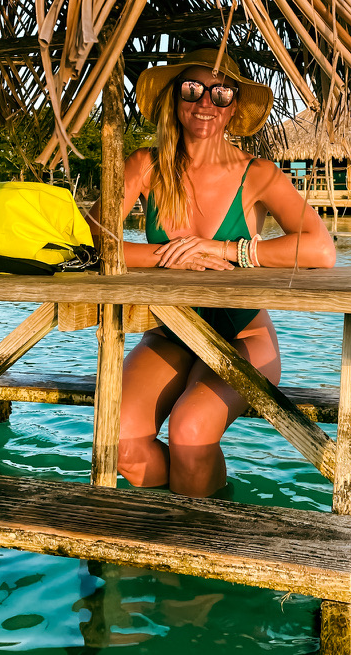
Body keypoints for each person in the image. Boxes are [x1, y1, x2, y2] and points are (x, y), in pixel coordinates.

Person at [94, 47, 335, 498]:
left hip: (243, 337)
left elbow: (320, 249)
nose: (205, 102)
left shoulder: (258, 174)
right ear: (174, 97)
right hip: (170, 333)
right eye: (193, 89)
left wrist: (224, 249)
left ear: (234, 107)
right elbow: (93, 241)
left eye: (220, 93)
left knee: (190, 432)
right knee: (118, 439)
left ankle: (196, 536)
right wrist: (169, 255)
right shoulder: (145, 166)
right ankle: (180, 519)